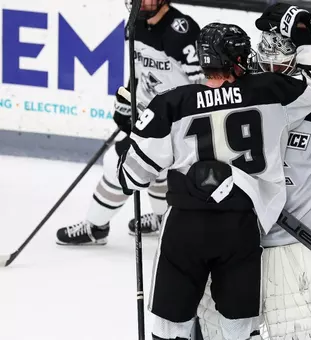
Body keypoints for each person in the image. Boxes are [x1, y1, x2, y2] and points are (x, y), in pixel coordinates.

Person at [116, 3, 311, 339]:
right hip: (241, 227)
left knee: (170, 324)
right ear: (238, 60)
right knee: (239, 325)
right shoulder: (268, 91)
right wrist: (306, 41)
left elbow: (131, 177)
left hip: (184, 227)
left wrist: (135, 128)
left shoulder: (170, 104)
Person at [197, 31, 311, 340]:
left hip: (298, 242)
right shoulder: (239, 89)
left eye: (281, 69)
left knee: (297, 332)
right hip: (236, 237)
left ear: (296, 65)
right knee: (218, 329)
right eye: (264, 68)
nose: (272, 76)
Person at [55, 0, 203, 245]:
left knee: (118, 163)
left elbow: (201, 87)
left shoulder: (183, 31)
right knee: (156, 171)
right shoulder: (134, 25)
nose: (141, 2)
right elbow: (138, 74)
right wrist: (128, 104)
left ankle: (96, 227)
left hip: (178, 123)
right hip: (151, 117)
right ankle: (163, 218)